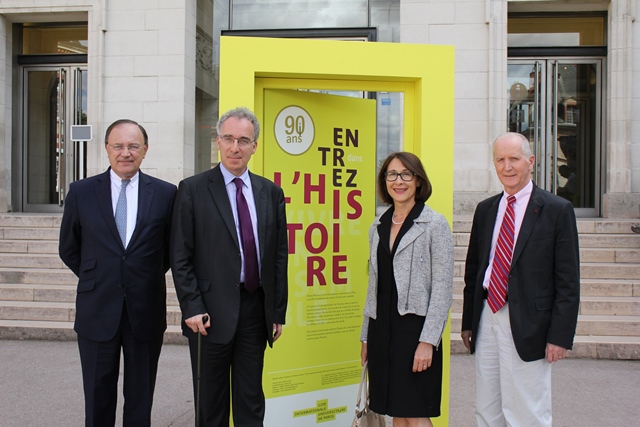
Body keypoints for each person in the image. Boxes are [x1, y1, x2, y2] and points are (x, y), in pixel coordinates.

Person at [170, 107, 288, 426]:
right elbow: (180, 255)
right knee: (211, 405)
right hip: (208, 314)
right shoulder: (193, 190)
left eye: (244, 140)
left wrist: (277, 311)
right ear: (218, 142)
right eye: (229, 139)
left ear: (255, 146)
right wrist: (191, 306)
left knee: (251, 402)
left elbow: (279, 256)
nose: (236, 147)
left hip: (255, 309)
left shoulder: (271, 193)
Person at [59, 119, 177, 426]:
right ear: (107, 150)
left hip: (145, 310)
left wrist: (141, 275)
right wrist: (99, 277)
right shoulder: (82, 192)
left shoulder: (166, 194)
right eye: (119, 146)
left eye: (133, 146)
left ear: (145, 150)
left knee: (140, 399)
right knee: (98, 397)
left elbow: (170, 250)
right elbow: (69, 248)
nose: (126, 153)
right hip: (97, 309)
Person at [461, 132, 580, 427]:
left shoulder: (556, 210)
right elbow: (475, 269)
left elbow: (568, 280)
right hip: (488, 316)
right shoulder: (486, 209)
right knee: (487, 409)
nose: (507, 166)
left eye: (514, 158)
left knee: (527, 410)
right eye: (500, 159)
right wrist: (468, 322)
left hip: (530, 322)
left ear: (531, 161)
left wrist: (559, 335)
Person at [360, 152, 454, 427]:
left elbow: (442, 289)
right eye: (391, 174)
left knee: (414, 412)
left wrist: (428, 342)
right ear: (384, 181)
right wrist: (366, 337)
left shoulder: (434, 224)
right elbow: (373, 286)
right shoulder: (377, 226)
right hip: (382, 332)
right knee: (395, 412)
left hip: (415, 333)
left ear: (417, 180)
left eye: (405, 174)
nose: (398, 181)